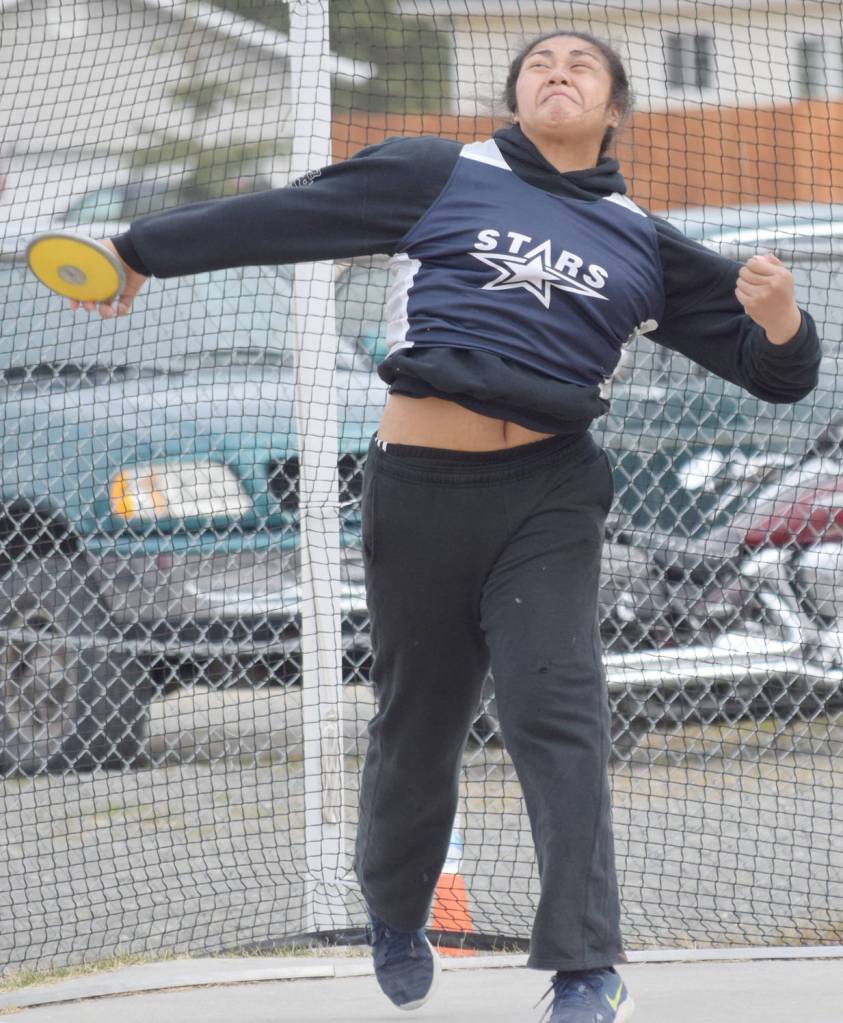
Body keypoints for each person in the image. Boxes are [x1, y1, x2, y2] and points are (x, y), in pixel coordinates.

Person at [70, 29, 821, 1023]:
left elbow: (776, 374)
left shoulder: (643, 241)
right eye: (539, 63)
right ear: (514, 96)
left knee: (557, 711)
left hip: (550, 494)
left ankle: (586, 968)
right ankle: (394, 911)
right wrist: (136, 252)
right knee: (417, 724)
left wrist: (783, 319)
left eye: (581, 66)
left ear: (613, 110)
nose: (557, 72)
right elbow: (282, 218)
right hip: (420, 489)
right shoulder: (438, 173)